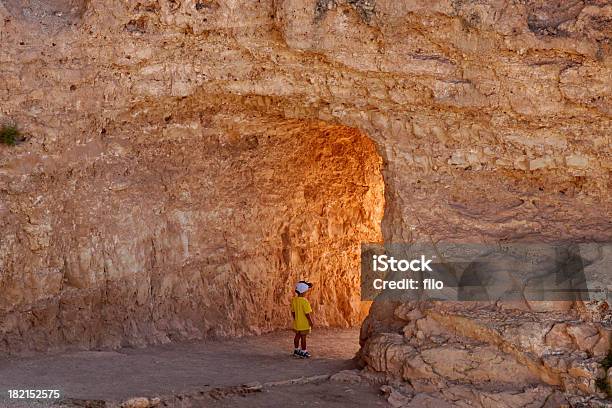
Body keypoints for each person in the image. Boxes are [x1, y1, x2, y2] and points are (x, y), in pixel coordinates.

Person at [291, 280, 314, 358]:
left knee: (297, 336)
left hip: (297, 323)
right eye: (306, 291)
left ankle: (296, 350)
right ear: (303, 291)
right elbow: (307, 314)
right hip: (304, 324)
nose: (306, 292)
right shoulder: (305, 302)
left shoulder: (294, 300)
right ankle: (304, 351)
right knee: (303, 338)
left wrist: (295, 319)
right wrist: (310, 322)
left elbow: (293, 312)